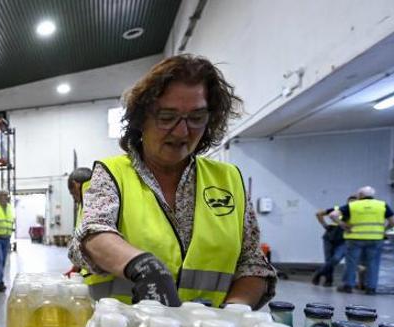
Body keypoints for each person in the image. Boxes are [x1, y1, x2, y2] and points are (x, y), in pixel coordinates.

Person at [69, 54, 276, 308]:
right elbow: (92, 233)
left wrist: (231, 316)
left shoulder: (228, 180)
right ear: (141, 118)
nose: (181, 131)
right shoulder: (113, 173)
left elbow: (253, 264)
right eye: (166, 117)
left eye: (196, 118)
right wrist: (144, 267)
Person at [336, 186, 394, 295]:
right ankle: (371, 288)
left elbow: (333, 215)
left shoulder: (353, 205)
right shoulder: (382, 205)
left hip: (355, 238)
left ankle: (348, 286)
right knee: (373, 264)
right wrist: (384, 230)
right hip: (375, 239)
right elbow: (393, 221)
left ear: (361, 195)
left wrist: (343, 225)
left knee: (352, 263)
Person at [66, 167, 107, 290]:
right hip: (90, 273)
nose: (74, 198)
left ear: (75, 184)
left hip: (99, 277)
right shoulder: (85, 203)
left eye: (72, 193)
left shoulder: (96, 203)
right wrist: (77, 266)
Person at [311, 196, 355, 286]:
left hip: (344, 240)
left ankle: (319, 273)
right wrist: (324, 225)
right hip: (329, 238)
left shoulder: (357, 214)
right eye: (350, 203)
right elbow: (319, 214)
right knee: (328, 260)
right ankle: (328, 281)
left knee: (336, 259)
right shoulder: (337, 209)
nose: (351, 205)